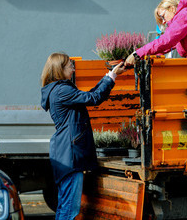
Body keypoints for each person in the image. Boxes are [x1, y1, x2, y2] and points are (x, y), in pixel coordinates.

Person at [40, 52, 125, 220]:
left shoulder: (57, 90)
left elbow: (89, 96)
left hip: (65, 154)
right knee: (70, 209)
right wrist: (112, 76)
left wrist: (109, 76)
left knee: (65, 205)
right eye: (69, 66)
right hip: (70, 156)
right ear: (59, 69)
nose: (73, 69)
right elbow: (94, 98)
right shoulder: (62, 90)